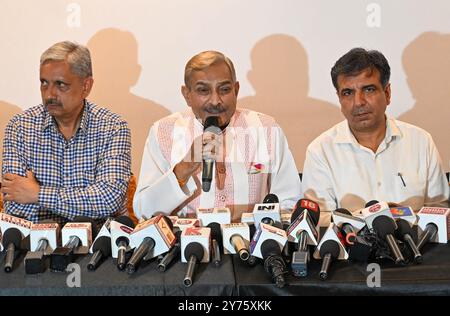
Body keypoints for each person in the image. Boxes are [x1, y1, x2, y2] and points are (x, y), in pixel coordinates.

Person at [133, 51, 301, 221]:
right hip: (184, 245)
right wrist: (184, 168)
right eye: (203, 90)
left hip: (253, 243)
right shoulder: (164, 132)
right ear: (187, 95)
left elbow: (290, 203)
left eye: (224, 90)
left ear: (236, 90)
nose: (215, 100)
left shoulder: (266, 129)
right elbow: (144, 211)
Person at [302, 48, 449, 225]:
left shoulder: (421, 141)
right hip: (351, 250)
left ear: (387, 94)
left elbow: (440, 211)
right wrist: (371, 217)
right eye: (348, 93)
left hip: (418, 248)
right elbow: (319, 220)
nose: (358, 102)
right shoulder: (320, 150)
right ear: (339, 98)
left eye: (368, 89)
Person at [1, 41, 131, 225]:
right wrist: (82, 200)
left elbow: (108, 200)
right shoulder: (20, 127)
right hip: (34, 245)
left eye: (60, 84)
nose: (49, 94)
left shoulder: (113, 127)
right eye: (44, 83)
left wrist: (37, 193)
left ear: (86, 86)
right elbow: (15, 204)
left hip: (97, 246)